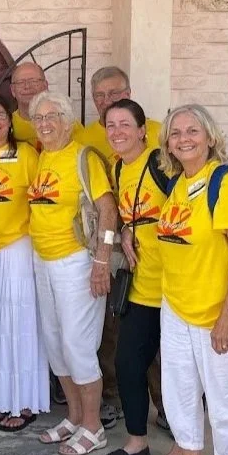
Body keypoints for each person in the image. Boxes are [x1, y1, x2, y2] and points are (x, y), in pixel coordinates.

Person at [149, 105, 228, 455]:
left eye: (192, 130)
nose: (183, 139)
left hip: (219, 316)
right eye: (175, 133)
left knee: (226, 403)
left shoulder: (225, 183)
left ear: (210, 136)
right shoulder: (180, 183)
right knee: (180, 400)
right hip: (177, 310)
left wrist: (227, 316)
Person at [96, 99, 184, 455]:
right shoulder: (119, 166)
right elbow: (127, 216)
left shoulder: (161, 163)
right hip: (141, 285)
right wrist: (126, 233)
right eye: (110, 125)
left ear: (142, 129)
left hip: (177, 288)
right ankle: (137, 442)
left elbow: (186, 213)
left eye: (124, 124)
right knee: (128, 363)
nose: (117, 132)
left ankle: (183, 449)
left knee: (180, 373)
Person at [27, 91, 117, 455]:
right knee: (54, 341)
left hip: (76, 262)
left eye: (52, 117)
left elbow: (108, 213)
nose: (45, 124)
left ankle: (94, 427)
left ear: (67, 121)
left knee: (78, 345)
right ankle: (75, 416)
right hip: (43, 260)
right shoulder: (43, 157)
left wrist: (101, 261)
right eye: (39, 118)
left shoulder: (82, 156)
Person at [75, 66, 166, 430]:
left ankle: (169, 411)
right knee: (116, 336)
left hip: (167, 263)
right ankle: (120, 404)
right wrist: (123, 231)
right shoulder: (87, 137)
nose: (106, 103)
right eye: (99, 97)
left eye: (113, 94)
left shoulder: (160, 135)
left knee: (160, 348)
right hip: (118, 250)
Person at [0, 93, 49, 431]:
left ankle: (23, 401)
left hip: (18, 248)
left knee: (19, 327)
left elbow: (45, 201)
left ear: (10, 120)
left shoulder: (28, 154)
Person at [9, 62, 81, 149]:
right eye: (20, 82)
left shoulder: (68, 122)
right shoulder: (5, 126)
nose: (27, 86)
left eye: (33, 81)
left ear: (45, 86)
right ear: (12, 90)